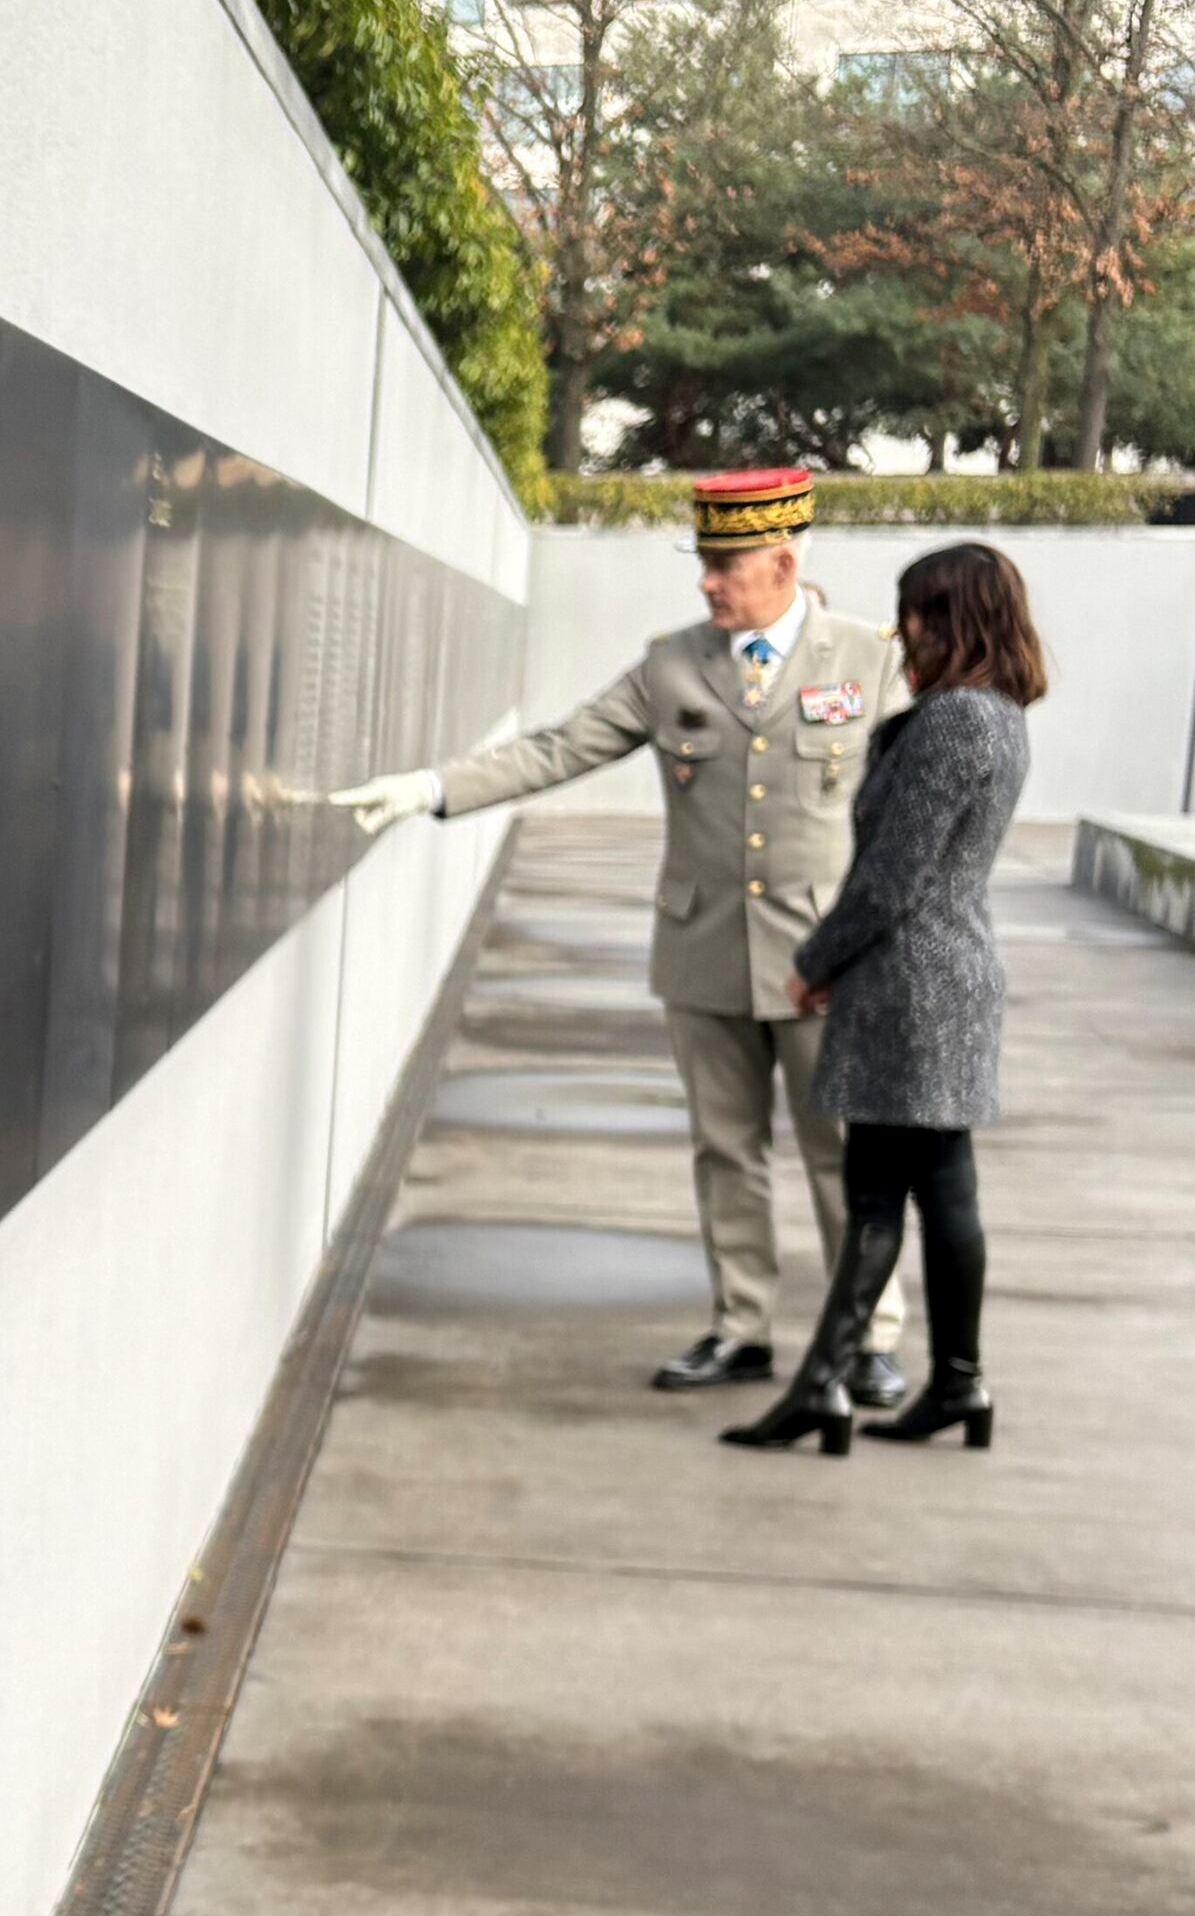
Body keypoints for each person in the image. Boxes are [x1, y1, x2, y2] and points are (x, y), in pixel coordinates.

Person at [334, 464, 910, 1406]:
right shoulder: (671, 664)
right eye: (704, 564)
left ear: (783, 562)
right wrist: (431, 789)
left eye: (725, 566)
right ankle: (742, 1327)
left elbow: (911, 813)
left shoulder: (867, 660)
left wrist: (887, 942)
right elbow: (560, 747)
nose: (707, 583)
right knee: (726, 1152)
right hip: (705, 953)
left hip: (828, 961)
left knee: (848, 1156)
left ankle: (869, 1336)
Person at [723, 543, 1040, 1456]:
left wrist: (816, 959)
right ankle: (957, 1383)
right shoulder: (998, 715)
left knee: (875, 1196)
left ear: (954, 619)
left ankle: (823, 1389)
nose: (904, 631)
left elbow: (893, 876)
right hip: (945, 975)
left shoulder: (953, 722)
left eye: (917, 613)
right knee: (942, 1186)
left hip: (910, 983)